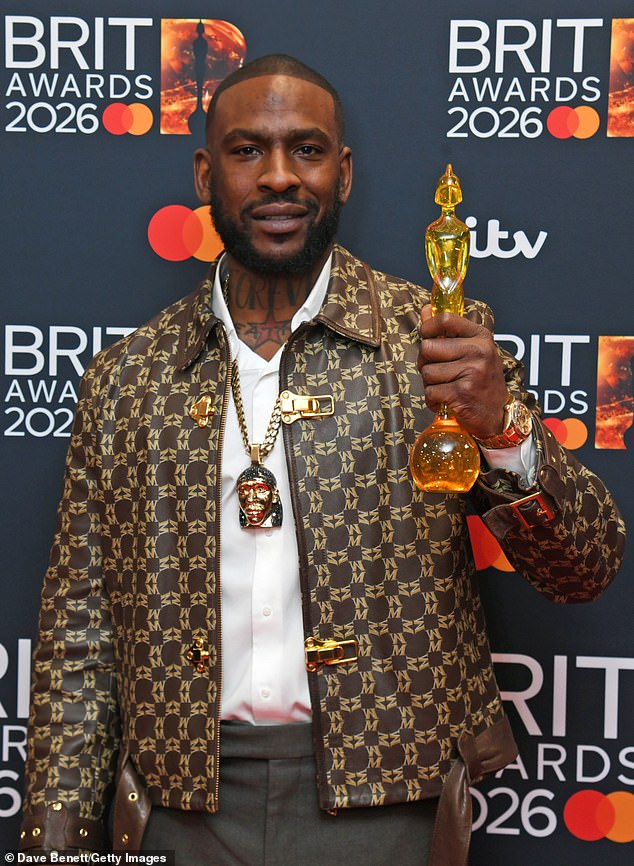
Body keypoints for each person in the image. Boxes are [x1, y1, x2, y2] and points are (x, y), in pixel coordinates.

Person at [20, 54, 625, 866]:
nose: (279, 176)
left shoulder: (436, 345)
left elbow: (584, 568)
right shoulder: (128, 378)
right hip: (177, 804)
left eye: (305, 150)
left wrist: (501, 429)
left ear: (341, 173)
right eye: (247, 150)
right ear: (205, 173)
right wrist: (55, 841)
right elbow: (79, 636)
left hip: (385, 799)